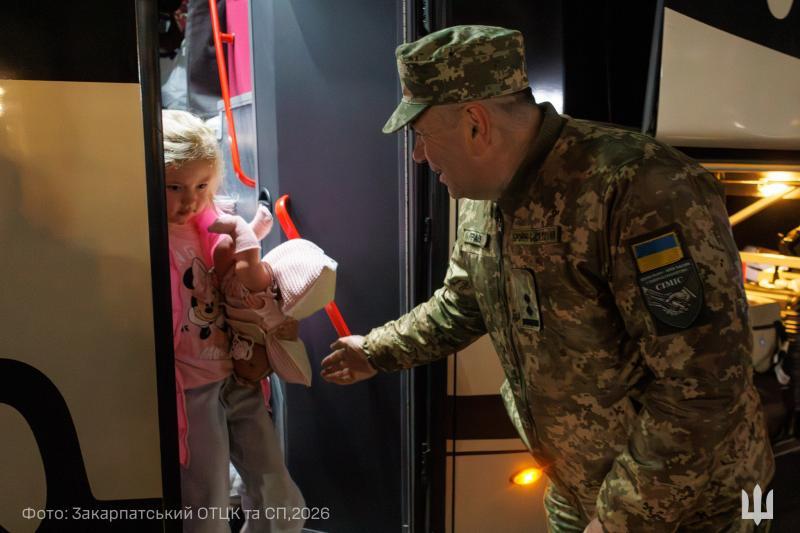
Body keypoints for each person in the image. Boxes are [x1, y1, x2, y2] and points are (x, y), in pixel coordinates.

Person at [320, 25, 774, 532]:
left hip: (700, 509)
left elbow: (702, 384)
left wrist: (620, 519)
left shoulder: (640, 186)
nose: (418, 156)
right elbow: (463, 303)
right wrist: (374, 351)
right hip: (579, 495)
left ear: (476, 124)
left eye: (422, 136)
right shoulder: (483, 199)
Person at [163, 109, 304, 533]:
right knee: (206, 501)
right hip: (190, 385)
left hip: (237, 374)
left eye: (201, 186)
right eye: (174, 187)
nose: (190, 200)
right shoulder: (145, 235)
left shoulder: (215, 226)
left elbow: (241, 286)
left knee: (277, 495)